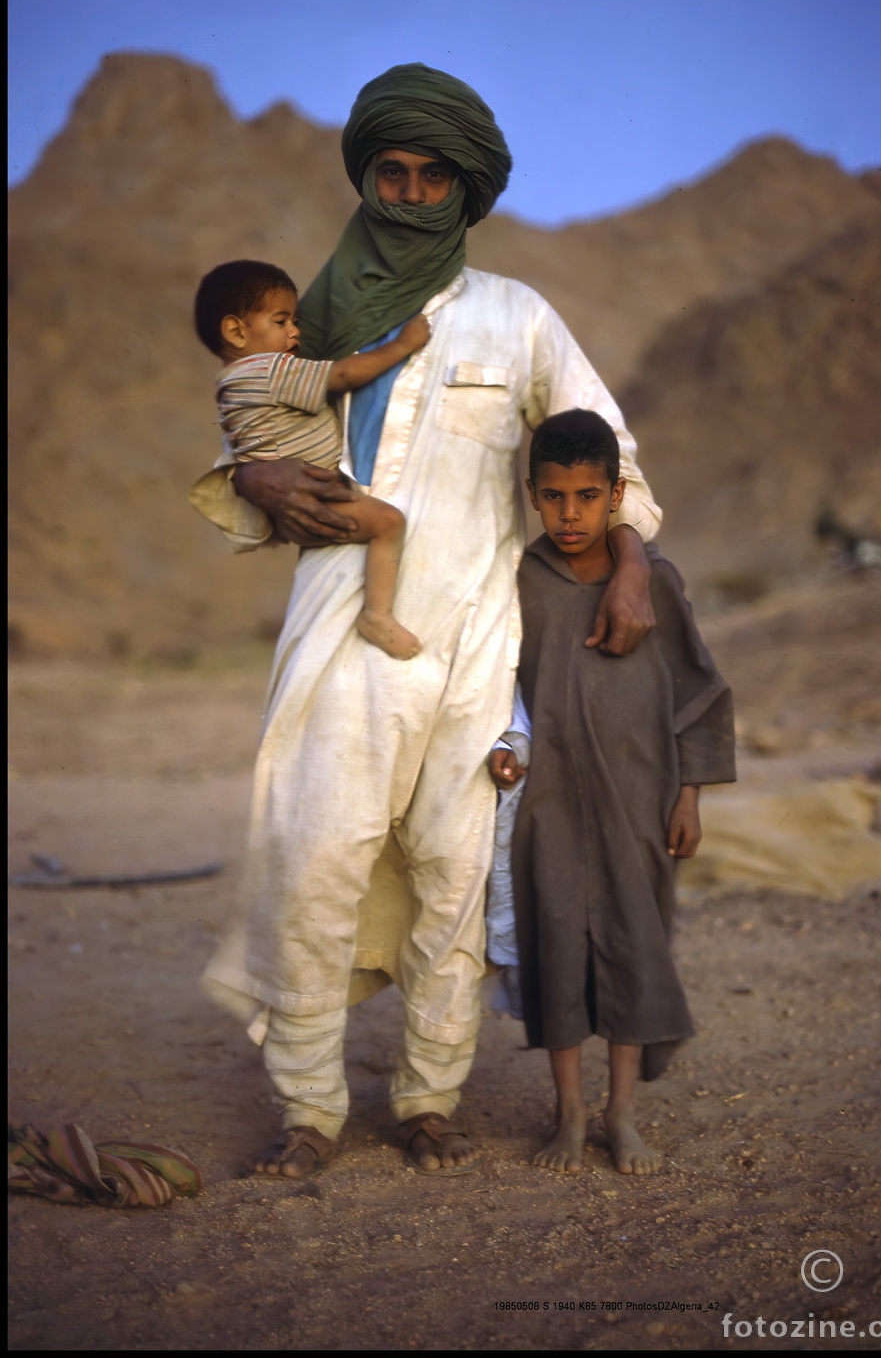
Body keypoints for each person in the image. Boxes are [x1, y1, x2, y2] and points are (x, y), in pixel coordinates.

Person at [189, 63, 663, 1179]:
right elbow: (252, 418)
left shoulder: (518, 317)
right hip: (340, 627)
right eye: (389, 172)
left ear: (463, 188)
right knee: (315, 859)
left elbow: (615, 460)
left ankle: (428, 1097)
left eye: (429, 175)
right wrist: (250, 480)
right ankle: (307, 1110)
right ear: (366, 178)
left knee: (454, 872)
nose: (406, 193)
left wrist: (631, 562)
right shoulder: (313, 320)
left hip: (475, 640)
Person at [488, 411, 736, 1177]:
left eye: (587, 496)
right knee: (555, 943)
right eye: (555, 496)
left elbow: (699, 693)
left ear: (615, 494)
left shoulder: (652, 581)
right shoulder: (519, 582)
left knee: (634, 940)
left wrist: (688, 794)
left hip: (639, 799)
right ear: (532, 495)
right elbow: (493, 691)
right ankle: (566, 1112)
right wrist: (504, 754)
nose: (570, 514)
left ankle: (620, 1114)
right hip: (549, 804)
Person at [194, 258, 429, 659]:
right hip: (319, 501)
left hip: (292, 512)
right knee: (390, 523)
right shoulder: (269, 370)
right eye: (281, 321)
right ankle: (377, 615)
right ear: (235, 330)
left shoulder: (231, 385)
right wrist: (403, 346)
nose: (295, 332)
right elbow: (341, 376)